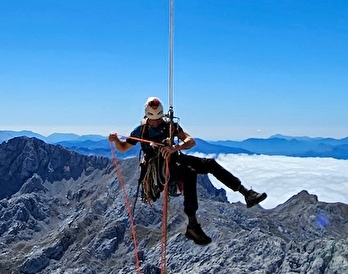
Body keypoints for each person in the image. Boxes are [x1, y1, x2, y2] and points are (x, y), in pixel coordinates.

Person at [108, 97, 266, 246]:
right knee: (189, 173)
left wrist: (175, 147)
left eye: (158, 118)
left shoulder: (170, 126)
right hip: (159, 169)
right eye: (152, 119)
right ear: (146, 116)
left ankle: (246, 193)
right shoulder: (140, 131)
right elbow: (123, 148)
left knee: (209, 163)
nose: (155, 122)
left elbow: (191, 141)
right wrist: (115, 141)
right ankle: (192, 225)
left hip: (176, 158)